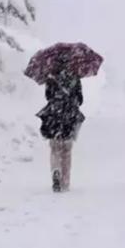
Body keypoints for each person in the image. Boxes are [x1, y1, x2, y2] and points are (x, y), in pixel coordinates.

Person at [36, 63, 85, 192]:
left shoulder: (51, 77)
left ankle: (55, 170)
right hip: (69, 117)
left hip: (54, 117)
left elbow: (48, 96)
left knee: (55, 149)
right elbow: (80, 99)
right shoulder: (74, 77)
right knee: (67, 151)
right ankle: (65, 181)